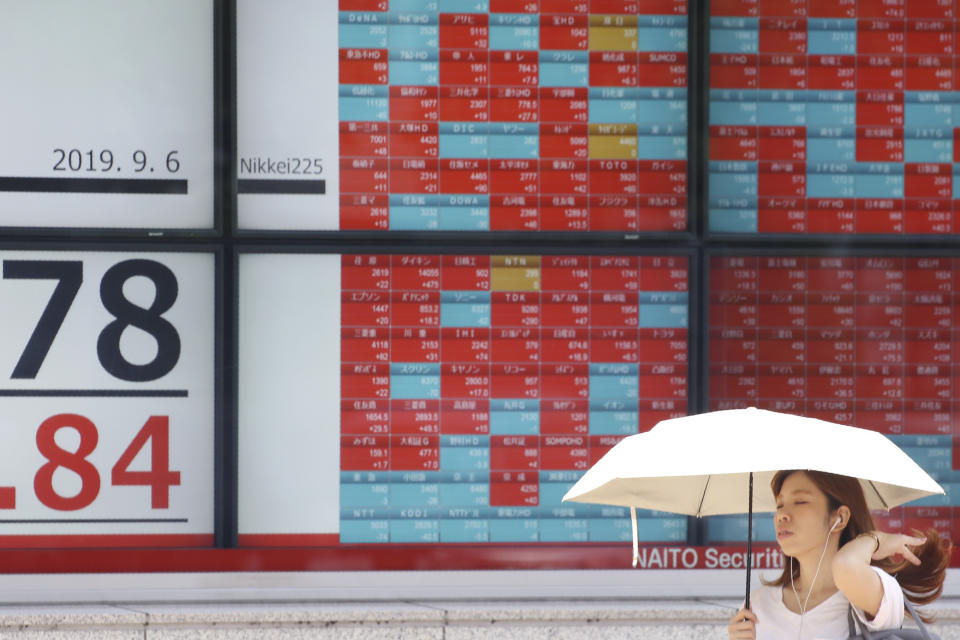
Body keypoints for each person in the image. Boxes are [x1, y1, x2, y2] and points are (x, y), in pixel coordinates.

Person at [727, 469, 951, 639]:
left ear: (840, 518)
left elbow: (846, 567)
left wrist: (873, 538)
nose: (782, 515)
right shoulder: (757, 605)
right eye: (779, 505)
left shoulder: (874, 590)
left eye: (800, 501)